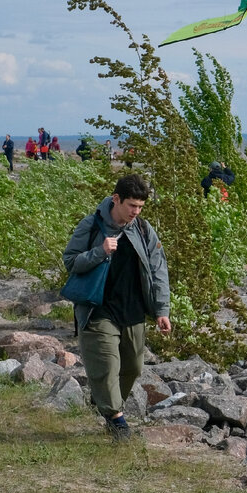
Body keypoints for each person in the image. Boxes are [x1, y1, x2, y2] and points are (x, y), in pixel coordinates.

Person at [62, 174, 171, 441]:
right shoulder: (91, 225)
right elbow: (70, 262)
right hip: (97, 309)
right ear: (116, 199)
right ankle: (116, 420)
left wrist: (161, 310)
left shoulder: (143, 229)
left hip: (132, 311)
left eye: (140, 207)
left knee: (133, 367)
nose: (136, 211)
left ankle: (104, 401)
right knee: (107, 367)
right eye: (131, 205)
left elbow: (158, 270)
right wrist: (100, 251)